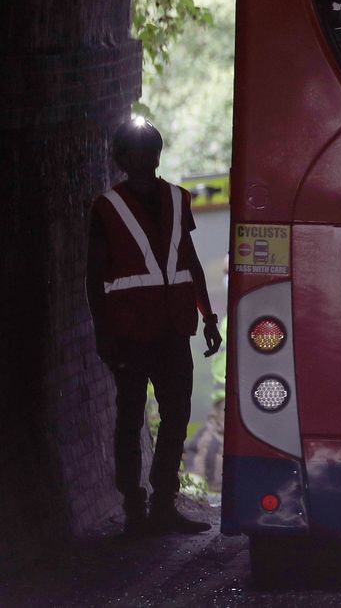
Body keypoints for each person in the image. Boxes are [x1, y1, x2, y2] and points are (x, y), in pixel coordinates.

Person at [85, 118, 222, 535]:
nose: (144, 158)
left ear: (159, 155)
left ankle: (164, 503)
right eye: (135, 151)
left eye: (151, 149)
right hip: (128, 332)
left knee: (177, 414)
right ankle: (135, 509)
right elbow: (94, 276)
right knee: (130, 417)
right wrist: (102, 333)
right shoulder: (105, 207)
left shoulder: (180, 200)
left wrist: (208, 316)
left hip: (173, 327)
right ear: (121, 159)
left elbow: (191, 262)